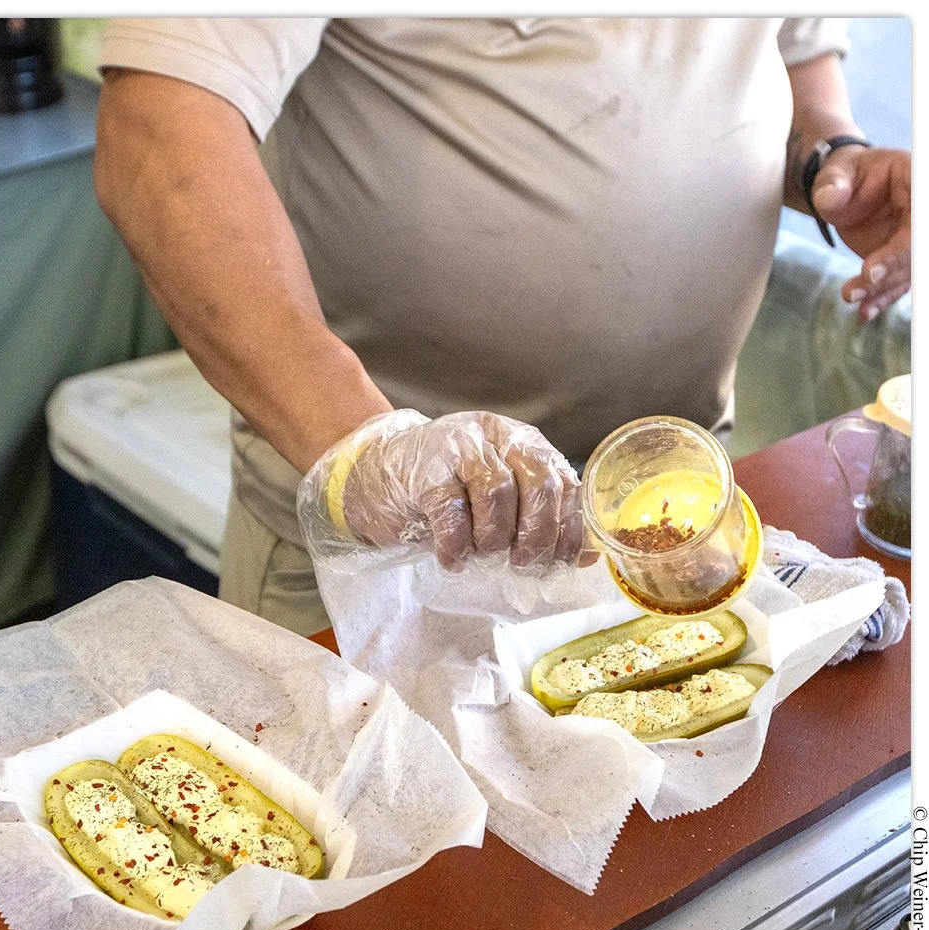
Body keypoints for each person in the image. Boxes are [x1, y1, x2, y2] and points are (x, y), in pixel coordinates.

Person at [93, 17, 911, 635]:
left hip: (668, 518)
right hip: (393, 543)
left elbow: (792, 53)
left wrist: (833, 156)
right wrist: (366, 450)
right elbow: (158, 131)